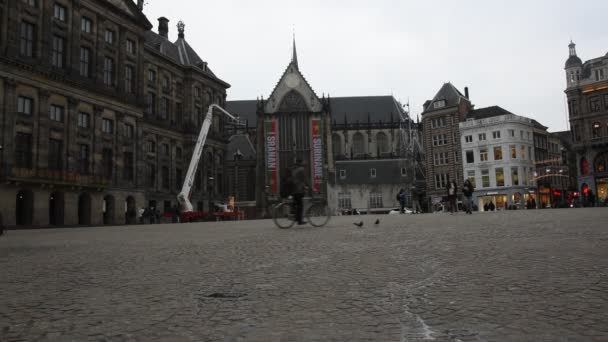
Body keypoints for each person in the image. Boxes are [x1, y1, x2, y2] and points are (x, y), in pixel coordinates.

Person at [291, 159, 310, 225]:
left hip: (293, 189)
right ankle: (299, 220)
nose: (305, 163)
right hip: (298, 190)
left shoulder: (294, 169)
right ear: (301, 163)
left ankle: (295, 216)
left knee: (297, 203)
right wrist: (309, 186)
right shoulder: (301, 169)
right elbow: (305, 179)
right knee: (300, 205)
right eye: (304, 162)